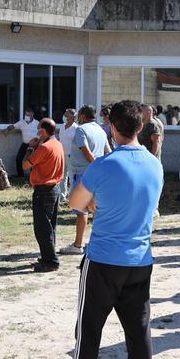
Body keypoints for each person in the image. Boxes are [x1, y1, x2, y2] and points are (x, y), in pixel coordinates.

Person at [46, 100, 164, 359]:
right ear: (141, 127)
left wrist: (96, 201)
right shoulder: (155, 165)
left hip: (103, 260)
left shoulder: (104, 165)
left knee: (89, 330)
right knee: (139, 332)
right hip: (140, 259)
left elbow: (75, 202)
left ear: (112, 127)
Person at [60, 105, 111, 255]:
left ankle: (77, 245)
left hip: (84, 174)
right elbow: (108, 151)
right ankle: (99, 242)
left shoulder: (81, 130)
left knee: (82, 211)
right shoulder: (100, 130)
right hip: (97, 175)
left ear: (82, 116)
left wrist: (95, 166)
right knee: (96, 209)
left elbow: (86, 151)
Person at [24, 118, 65, 272]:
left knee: (42, 228)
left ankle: (51, 261)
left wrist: (31, 148)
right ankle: (48, 256)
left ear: (43, 131)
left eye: (39, 128)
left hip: (43, 190)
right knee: (50, 226)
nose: (37, 131)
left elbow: (26, 164)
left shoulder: (44, 147)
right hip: (54, 189)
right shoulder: (57, 144)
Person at [5, 110, 40, 178]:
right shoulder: (22, 122)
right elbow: (13, 126)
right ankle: (20, 175)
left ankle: (34, 176)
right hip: (25, 144)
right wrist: (7, 129)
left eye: (28, 115)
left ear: (32, 115)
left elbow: (41, 133)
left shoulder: (37, 123)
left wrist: (36, 140)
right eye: (26, 114)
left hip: (34, 144)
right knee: (18, 158)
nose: (26, 116)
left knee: (32, 160)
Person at [56, 108, 78, 200]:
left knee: (72, 177)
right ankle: (62, 195)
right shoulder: (62, 126)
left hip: (71, 155)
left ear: (72, 117)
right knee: (62, 176)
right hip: (62, 154)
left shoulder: (76, 128)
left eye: (66, 115)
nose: (64, 117)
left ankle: (72, 196)